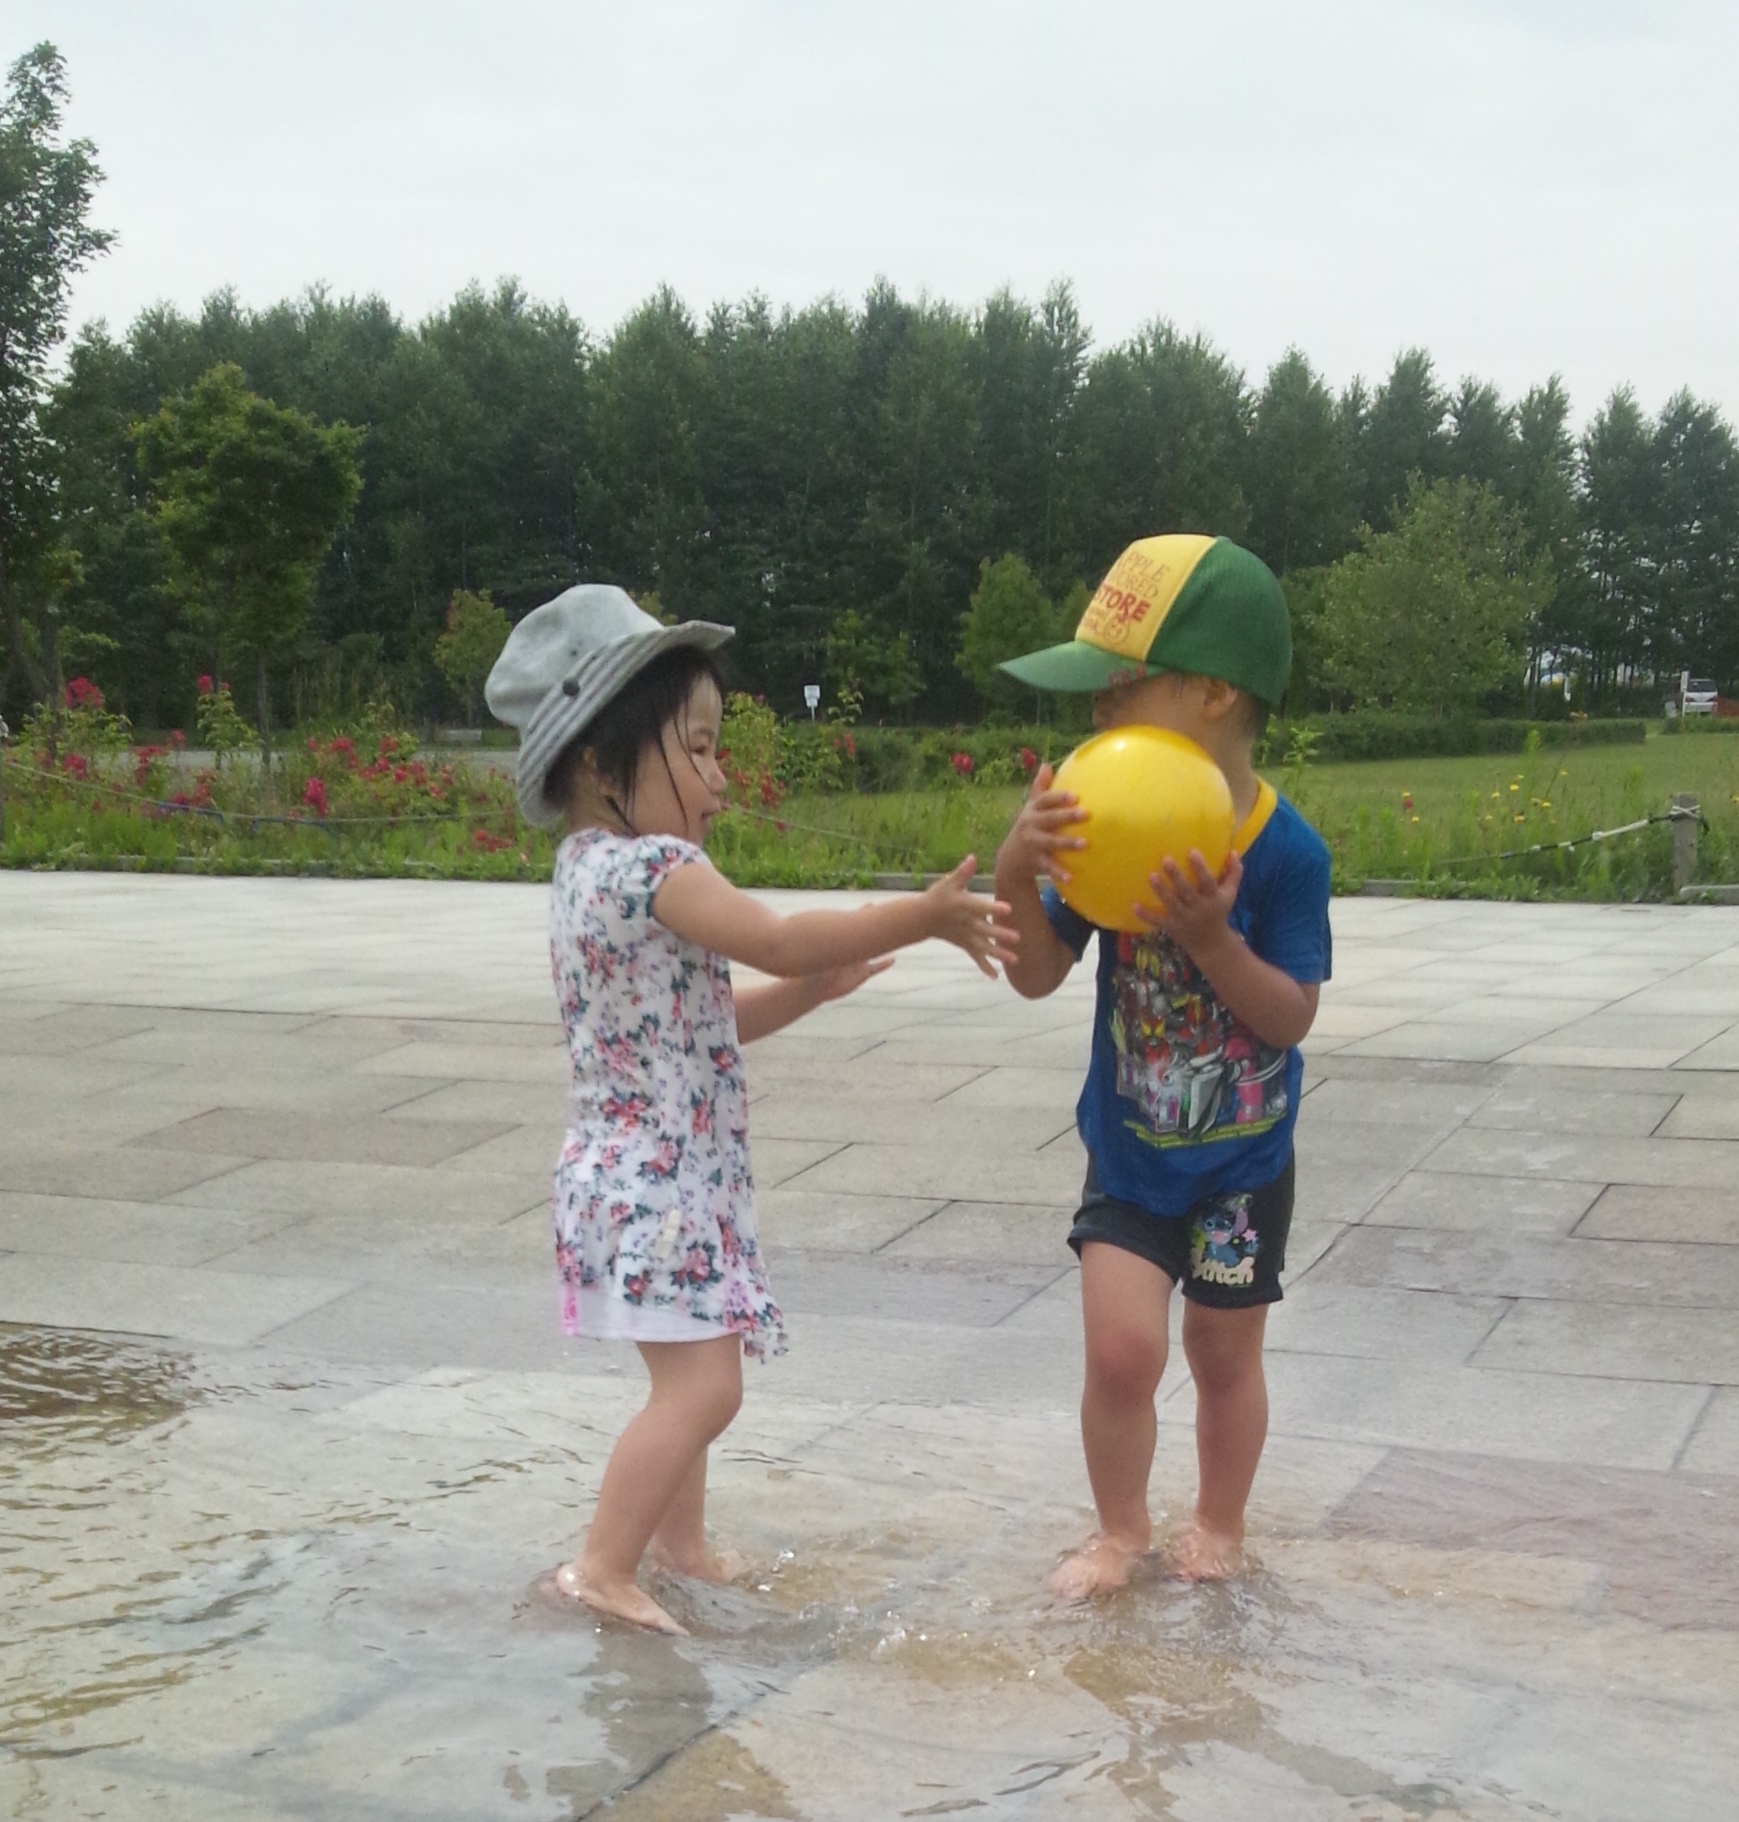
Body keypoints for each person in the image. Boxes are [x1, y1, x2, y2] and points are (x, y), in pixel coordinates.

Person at [487, 586, 1012, 1633]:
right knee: (707, 1390)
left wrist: (809, 994)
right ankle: (601, 1567)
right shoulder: (657, 867)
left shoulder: (583, 871)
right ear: (598, 763)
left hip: (622, 1181)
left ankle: (677, 1549)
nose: (722, 777)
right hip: (657, 1188)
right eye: (698, 748)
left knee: (692, 1368)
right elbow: (772, 937)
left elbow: (697, 1027)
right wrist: (920, 916)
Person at [991, 536, 1333, 1596]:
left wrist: (1212, 940)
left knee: (1224, 1359)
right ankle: (1121, 1530)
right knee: (1121, 1354)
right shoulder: (1110, 824)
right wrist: (1016, 868)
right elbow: (1037, 973)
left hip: (1241, 1165)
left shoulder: (1286, 852)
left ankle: (1218, 1523)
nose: (1097, 711)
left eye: (1120, 687)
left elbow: (1290, 1017)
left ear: (1215, 693)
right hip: (1131, 1153)